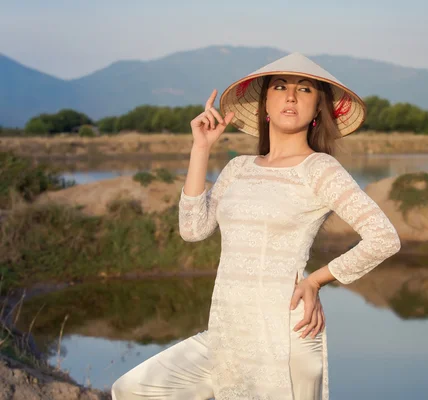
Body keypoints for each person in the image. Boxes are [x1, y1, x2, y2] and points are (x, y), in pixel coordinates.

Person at [111, 52, 401, 400]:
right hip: (227, 331)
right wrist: (200, 149)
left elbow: (384, 237)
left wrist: (316, 280)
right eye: (280, 87)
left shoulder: (319, 169)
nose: (291, 96)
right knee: (132, 389)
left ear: (317, 110)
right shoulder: (239, 168)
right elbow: (193, 229)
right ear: (265, 103)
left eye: (305, 90)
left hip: (285, 330)